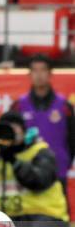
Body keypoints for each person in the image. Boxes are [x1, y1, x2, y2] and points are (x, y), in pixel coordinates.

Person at [10, 54, 75, 198]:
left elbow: (72, 139)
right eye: (35, 70)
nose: (39, 75)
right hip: (27, 171)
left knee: (57, 216)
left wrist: (64, 162)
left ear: (50, 73)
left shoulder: (64, 106)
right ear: (29, 74)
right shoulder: (18, 106)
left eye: (43, 70)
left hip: (57, 171)